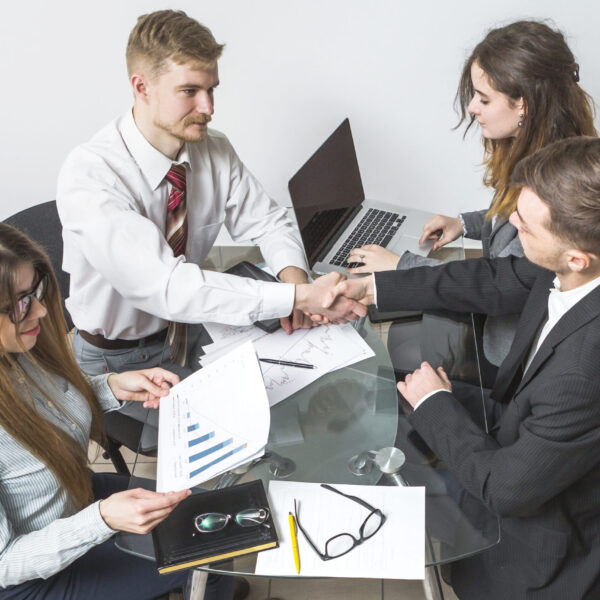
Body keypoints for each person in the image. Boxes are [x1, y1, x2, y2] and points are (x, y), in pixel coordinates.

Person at [327, 136, 600, 598]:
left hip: (543, 548)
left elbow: (506, 489)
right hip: (526, 425)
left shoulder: (583, 370)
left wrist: (436, 404)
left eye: (526, 225)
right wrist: (376, 288)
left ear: (575, 258)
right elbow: (490, 278)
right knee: (378, 401)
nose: (509, 223)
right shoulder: (575, 266)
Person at [56, 9, 363, 381]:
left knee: (289, 391)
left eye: (211, 89)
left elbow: (270, 221)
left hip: (189, 331)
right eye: (189, 91)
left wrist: (295, 282)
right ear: (141, 87)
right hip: (116, 362)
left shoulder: (213, 149)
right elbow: (168, 286)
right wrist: (299, 298)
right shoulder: (90, 173)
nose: (209, 108)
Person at [0, 223, 231, 599]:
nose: (41, 310)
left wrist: (111, 386)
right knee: (213, 551)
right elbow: (5, 562)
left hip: (77, 500)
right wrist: (102, 519)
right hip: (35, 577)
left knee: (217, 518)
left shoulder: (18, 351)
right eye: (22, 303)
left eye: (36, 293)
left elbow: (43, 406)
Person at [347, 20, 596, 368]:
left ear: (522, 103)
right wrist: (465, 224)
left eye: (483, 98)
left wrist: (401, 267)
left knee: (396, 359)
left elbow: (503, 283)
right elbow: (513, 216)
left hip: (508, 352)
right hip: (492, 321)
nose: (471, 108)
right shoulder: (538, 151)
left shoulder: (558, 184)